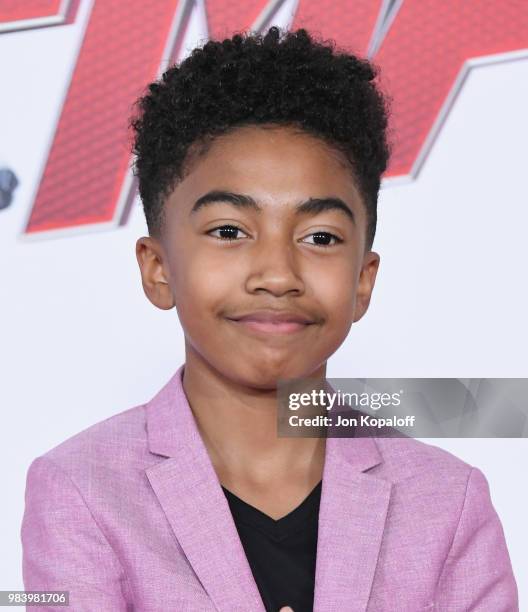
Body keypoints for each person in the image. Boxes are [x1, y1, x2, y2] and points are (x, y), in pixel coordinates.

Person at [21, 27, 518, 611]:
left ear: (363, 282)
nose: (278, 273)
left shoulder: (448, 502)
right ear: (158, 269)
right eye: (229, 231)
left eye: (321, 236)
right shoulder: (80, 490)